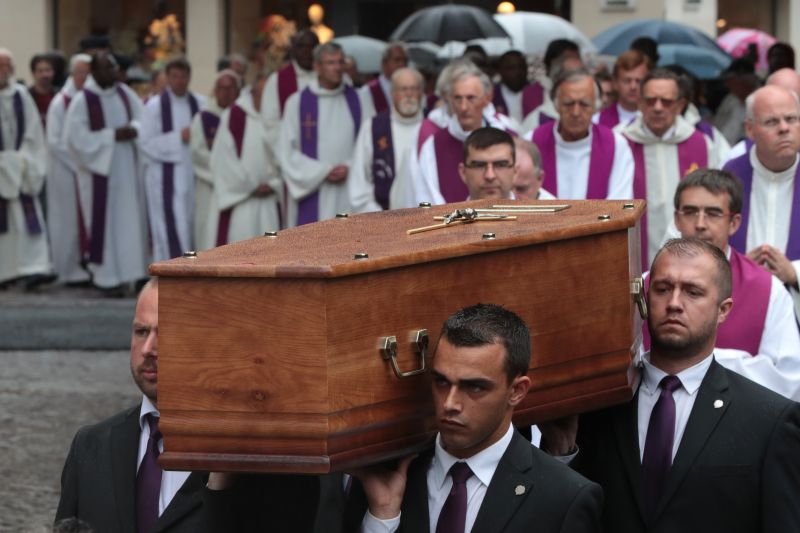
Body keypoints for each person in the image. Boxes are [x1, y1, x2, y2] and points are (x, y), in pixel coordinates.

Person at [541, 238, 800, 533]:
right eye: (663, 289)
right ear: (644, 300)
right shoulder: (597, 402)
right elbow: (565, 514)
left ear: (723, 310)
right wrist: (562, 449)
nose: (674, 303)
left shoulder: (770, 420)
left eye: (693, 292)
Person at [354, 303, 603, 533]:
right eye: (441, 382)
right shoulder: (386, 480)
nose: (450, 403)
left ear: (517, 391)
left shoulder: (562, 498)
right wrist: (383, 518)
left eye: (474, 387)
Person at [56, 278, 206, 531]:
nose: (148, 349)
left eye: (166, 332)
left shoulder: (237, 456)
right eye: (141, 332)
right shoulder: (91, 446)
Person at [658, 169, 800, 399]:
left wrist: (702, 363)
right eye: (690, 212)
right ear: (676, 219)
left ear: (734, 223)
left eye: (713, 213)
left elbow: (790, 380)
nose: (700, 224)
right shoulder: (647, 284)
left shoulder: (769, 290)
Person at [64, 51, 149, 293]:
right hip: (99, 173)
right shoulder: (83, 101)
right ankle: (107, 279)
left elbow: (144, 120)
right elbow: (75, 140)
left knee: (131, 223)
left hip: (128, 173)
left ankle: (134, 274)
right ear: (94, 72)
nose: (111, 72)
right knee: (107, 225)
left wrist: (133, 129)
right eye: (105, 68)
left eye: (112, 67)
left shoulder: (125, 93)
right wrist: (112, 135)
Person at [620, 68, 718, 268]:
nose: (657, 107)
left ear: (680, 105)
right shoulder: (619, 142)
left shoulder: (702, 143)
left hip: (689, 259)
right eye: (650, 100)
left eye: (666, 101)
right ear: (639, 102)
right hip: (631, 253)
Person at [722, 85, 800, 319]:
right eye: (771, 122)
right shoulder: (728, 176)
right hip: (740, 306)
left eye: (791, 119)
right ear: (750, 129)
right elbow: (704, 243)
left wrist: (794, 271)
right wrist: (738, 266)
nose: (784, 128)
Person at [278, 41, 367, 226]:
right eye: (330, 63)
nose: (337, 68)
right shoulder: (297, 103)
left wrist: (350, 166)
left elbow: (369, 143)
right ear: (316, 66)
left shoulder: (360, 99)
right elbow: (285, 151)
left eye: (340, 62)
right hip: (312, 190)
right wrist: (323, 171)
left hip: (350, 187)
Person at [409, 61, 510, 206]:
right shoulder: (432, 146)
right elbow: (424, 199)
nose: (463, 107)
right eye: (457, 98)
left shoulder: (506, 139)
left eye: (471, 98)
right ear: (449, 99)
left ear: (487, 99)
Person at [526, 67, 634, 200]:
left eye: (584, 104)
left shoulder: (616, 145)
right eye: (568, 104)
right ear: (556, 105)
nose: (576, 112)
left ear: (596, 106)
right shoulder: (532, 142)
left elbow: (620, 204)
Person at [139, 57, 205, 261]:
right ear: (167, 78)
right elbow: (146, 142)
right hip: (165, 177)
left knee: (194, 223)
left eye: (183, 76)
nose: (179, 81)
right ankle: (172, 271)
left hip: (195, 174)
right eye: (174, 76)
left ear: (189, 77)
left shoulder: (200, 104)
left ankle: (195, 270)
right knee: (172, 225)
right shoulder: (154, 106)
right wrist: (178, 138)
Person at [207, 68, 282, 246]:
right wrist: (250, 186)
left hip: (272, 201)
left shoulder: (279, 116)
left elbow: (287, 155)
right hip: (242, 202)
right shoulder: (235, 115)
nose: (267, 100)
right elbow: (223, 159)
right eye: (262, 94)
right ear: (253, 93)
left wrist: (274, 184)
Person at [0, 47, 52, 290]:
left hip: (21, 167)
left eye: (6, 66)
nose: (3, 71)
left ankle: (33, 268)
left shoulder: (20, 95)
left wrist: (23, 161)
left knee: (26, 221)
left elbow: (34, 134)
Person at [46, 53, 92, 285]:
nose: (86, 77)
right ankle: (68, 267)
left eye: (88, 72)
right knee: (68, 220)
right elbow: (55, 141)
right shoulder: (60, 103)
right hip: (66, 171)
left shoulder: (89, 99)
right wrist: (79, 163)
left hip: (85, 169)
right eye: (81, 72)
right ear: (73, 74)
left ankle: (86, 262)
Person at [349, 67, 423, 212]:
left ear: (422, 93)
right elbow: (359, 179)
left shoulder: (431, 128)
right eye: (403, 89)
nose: (409, 94)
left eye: (414, 89)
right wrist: (380, 216)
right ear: (393, 93)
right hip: (381, 218)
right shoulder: (373, 128)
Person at [190, 69, 240, 251]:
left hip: (238, 189)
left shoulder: (243, 117)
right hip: (210, 188)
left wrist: (235, 177)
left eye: (231, 88)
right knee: (208, 233)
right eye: (222, 88)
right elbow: (198, 153)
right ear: (215, 91)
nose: (226, 92)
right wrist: (223, 175)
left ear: (238, 91)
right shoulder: (203, 118)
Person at [594, 49, 650, 129]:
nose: (633, 87)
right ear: (615, 83)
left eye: (638, 81)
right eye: (627, 81)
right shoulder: (596, 121)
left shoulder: (658, 120)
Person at [713, 58, 760, 146]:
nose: (727, 84)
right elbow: (717, 125)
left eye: (731, 79)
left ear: (745, 79)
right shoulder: (730, 100)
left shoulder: (760, 100)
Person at [492, 50, 545, 126]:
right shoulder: (492, 95)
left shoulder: (538, 92)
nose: (518, 72)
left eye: (521, 67)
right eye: (511, 68)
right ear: (500, 70)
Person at [361, 42, 408, 117]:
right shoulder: (368, 91)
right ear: (384, 63)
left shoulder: (412, 88)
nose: (402, 64)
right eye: (397, 60)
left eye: (405, 60)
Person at [29, 53, 56, 128]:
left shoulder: (59, 96)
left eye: (48, 70)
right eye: (40, 71)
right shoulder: (26, 97)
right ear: (33, 73)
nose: (45, 74)